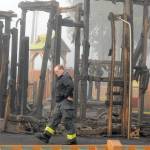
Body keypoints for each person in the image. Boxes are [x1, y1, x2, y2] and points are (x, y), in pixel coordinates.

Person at [36, 64, 77, 144]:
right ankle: (46, 136)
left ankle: (72, 141)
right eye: (55, 71)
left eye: (57, 71)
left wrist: (65, 95)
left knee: (67, 121)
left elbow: (71, 86)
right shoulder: (61, 78)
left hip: (65, 103)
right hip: (60, 103)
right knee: (54, 119)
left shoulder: (65, 77)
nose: (56, 73)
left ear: (62, 70)